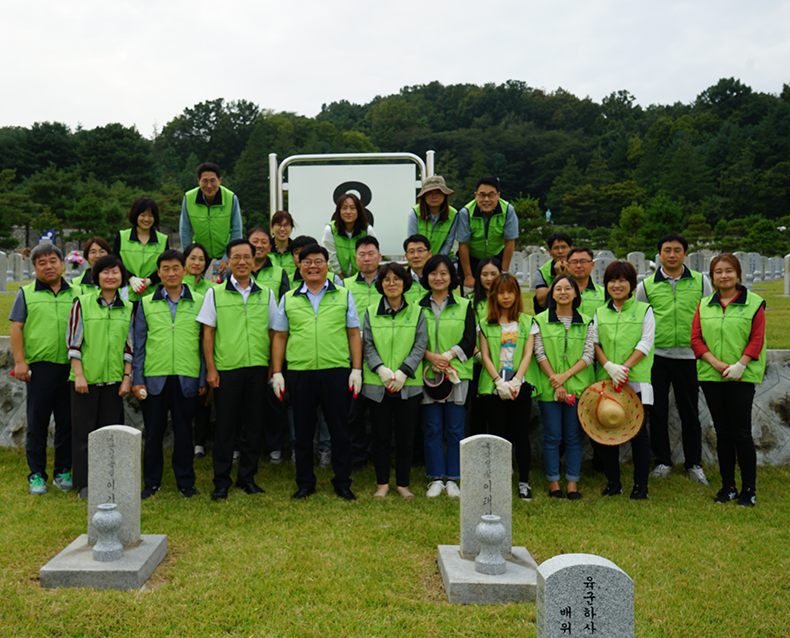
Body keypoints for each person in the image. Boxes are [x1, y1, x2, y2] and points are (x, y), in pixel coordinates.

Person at [271, 244, 362, 502]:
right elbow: (280, 336)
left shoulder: (343, 295)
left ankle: (343, 482)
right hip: (300, 372)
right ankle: (305, 483)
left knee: (339, 430)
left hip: (336, 371)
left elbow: (353, 333)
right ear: (299, 265)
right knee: (302, 431)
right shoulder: (289, 298)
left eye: (319, 261)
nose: (313, 266)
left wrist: (356, 369)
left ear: (327, 264)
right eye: (307, 261)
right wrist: (278, 372)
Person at [196, 239, 278, 501]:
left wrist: (272, 367)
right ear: (228, 261)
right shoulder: (215, 293)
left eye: (247, 257)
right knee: (225, 427)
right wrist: (211, 369)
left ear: (255, 260)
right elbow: (208, 333)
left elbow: (274, 331)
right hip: (227, 369)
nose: (242, 262)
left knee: (254, 426)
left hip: (257, 368)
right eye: (236, 257)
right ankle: (221, 481)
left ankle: (247, 478)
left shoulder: (266, 293)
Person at [635, 233, 712, 485]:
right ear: (659, 254)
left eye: (677, 250)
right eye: (666, 250)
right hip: (657, 357)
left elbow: (708, 317)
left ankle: (693, 463)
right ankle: (663, 461)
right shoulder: (646, 286)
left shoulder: (701, 282)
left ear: (684, 254)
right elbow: (640, 321)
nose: (671, 254)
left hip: (689, 357)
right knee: (657, 412)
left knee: (690, 412)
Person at [691, 254, 766, 507]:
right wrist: (715, 363)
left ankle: (749, 490)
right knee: (723, 433)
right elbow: (696, 339)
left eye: (729, 271)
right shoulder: (704, 305)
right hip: (713, 376)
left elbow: (757, 338)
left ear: (738, 274)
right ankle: (728, 487)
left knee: (741, 433)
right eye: (718, 272)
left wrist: (740, 364)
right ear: (712, 277)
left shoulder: (754, 303)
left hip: (742, 376)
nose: (723, 276)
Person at [133, 249, 206, 499]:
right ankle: (151, 483)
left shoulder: (199, 300)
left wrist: (203, 376)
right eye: (165, 268)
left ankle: (185, 482)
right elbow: (139, 344)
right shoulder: (145, 303)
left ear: (185, 270)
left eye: (176, 267)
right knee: (153, 434)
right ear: (159, 272)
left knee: (185, 433)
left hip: (187, 376)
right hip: (155, 378)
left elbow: (204, 344)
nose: (171, 273)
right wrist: (137, 379)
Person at [9, 244, 78, 495]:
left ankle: (63, 471)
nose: (48, 266)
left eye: (53, 261)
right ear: (35, 267)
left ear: (63, 264)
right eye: (42, 263)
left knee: (66, 423)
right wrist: (20, 362)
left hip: (71, 368)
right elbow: (16, 328)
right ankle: (36, 474)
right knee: (37, 424)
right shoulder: (26, 293)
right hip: (40, 368)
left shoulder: (78, 292)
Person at [67, 255, 134, 498]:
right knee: (84, 433)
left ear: (122, 277)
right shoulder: (82, 303)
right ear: (97, 276)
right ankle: (85, 483)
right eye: (105, 272)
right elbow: (74, 343)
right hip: (86, 380)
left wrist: (127, 377)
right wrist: (79, 376)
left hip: (114, 382)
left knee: (109, 434)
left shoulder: (127, 308)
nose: (110, 276)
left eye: (115, 272)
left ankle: (107, 480)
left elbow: (129, 347)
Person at [362, 262, 427, 499]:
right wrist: (379, 369)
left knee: (405, 436)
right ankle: (382, 484)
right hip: (377, 384)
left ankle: (403, 483)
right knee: (380, 436)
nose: (392, 283)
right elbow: (367, 343)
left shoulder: (417, 312)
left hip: (407, 384)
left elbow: (421, 344)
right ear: (380, 284)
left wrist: (404, 371)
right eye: (386, 279)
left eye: (397, 279)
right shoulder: (370, 311)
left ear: (405, 283)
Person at [592, 261, 655, 500]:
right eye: (612, 280)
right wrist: (608, 366)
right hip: (607, 383)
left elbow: (645, 343)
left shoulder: (644, 310)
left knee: (638, 434)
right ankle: (613, 482)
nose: (617, 285)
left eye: (622, 280)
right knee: (608, 433)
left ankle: (641, 486)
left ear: (631, 285)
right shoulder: (600, 312)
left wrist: (624, 368)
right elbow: (595, 343)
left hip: (636, 381)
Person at [418, 255, 476, 498]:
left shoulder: (464, 305)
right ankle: (435, 478)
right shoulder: (417, 306)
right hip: (428, 375)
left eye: (444, 273)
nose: (438, 278)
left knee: (454, 429)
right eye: (433, 273)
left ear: (452, 277)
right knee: (432, 428)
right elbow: (412, 338)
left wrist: (448, 356)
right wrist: (431, 357)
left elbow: (470, 339)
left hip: (457, 375)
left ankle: (453, 478)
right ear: (426, 277)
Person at [477, 273, 539, 500]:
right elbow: (484, 355)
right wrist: (498, 381)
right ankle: (498, 481)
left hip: (519, 388)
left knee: (521, 435)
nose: (506, 297)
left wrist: (516, 380)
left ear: (517, 294)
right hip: (494, 389)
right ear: (494, 295)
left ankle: (524, 482)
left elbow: (527, 354)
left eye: (510, 292)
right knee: (497, 435)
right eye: (501, 292)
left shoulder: (528, 322)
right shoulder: (484, 323)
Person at [534, 275, 595, 500]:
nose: (563, 292)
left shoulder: (587, 321)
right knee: (552, 436)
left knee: (573, 437)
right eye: (558, 288)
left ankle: (572, 483)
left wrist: (565, 377)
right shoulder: (540, 320)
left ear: (575, 293)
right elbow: (539, 352)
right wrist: (555, 381)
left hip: (578, 389)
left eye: (567, 288)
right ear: (552, 293)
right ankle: (553, 483)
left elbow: (589, 355)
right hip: (549, 390)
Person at [179, 162, 243, 278]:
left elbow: (237, 231)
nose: (209, 185)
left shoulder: (230, 198)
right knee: (194, 285)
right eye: (205, 181)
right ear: (198, 181)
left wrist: (227, 258)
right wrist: (190, 257)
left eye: (213, 181)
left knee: (223, 283)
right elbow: (185, 230)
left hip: (224, 252)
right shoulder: (189, 198)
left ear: (220, 181)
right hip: (200, 253)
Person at [457, 176, 519, 293]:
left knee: (498, 294)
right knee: (470, 298)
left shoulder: (508, 210)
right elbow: (463, 245)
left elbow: (509, 241)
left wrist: (504, 272)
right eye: (482, 195)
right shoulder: (465, 212)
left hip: (497, 256)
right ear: (476, 196)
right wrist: (468, 276)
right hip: (472, 258)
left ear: (498, 195)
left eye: (491, 195)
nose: (486, 199)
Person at [468, 257, 501, 436]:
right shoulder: (470, 301)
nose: (489, 278)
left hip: (502, 363)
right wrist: (482, 357)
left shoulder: (506, 299)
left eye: (493, 274)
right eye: (484, 274)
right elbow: (468, 335)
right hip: (477, 364)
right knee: (478, 412)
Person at [114, 197, 169, 302]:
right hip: (125, 295)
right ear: (135, 215)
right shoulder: (122, 236)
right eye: (142, 215)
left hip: (154, 297)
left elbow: (166, 266)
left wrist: (150, 281)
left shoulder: (162, 239)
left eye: (150, 216)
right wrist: (130, 278)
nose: (146, 219)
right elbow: (115, 262)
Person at [322, 192, 377, 279]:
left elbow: (373, 254)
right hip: (336, 278)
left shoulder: (367, 230)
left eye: (352, 208)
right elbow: (332, 258)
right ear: (338, 211)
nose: (348, 212)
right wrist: (342, 280)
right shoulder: (330, 230)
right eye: (344, 208)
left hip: (363, 278)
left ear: (359, 211)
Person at [406, 175, 458, 256]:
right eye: (430, 192)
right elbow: (413, 243)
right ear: (424, 195)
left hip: (444, 259)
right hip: (421, 259)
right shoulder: (414, 213)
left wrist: (435, 262)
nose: (434, 196)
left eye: (438, 192)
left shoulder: (453, 214)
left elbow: (448, 243)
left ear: (444, 194)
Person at [248, 227, 290, 303]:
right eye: (255, 241)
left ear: (269, 248)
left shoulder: (280, 273)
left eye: (264, 242)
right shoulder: (235, 271)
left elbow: (285, 303)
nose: (259, 245)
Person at [533, 232, 573, 311]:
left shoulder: (578, 267)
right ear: (550, 252)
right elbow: (541, 302)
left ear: (571, 249)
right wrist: (558, 277)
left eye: (564, 247)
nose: (560, 251)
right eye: (556, 248)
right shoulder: (542, 271)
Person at [567, 247, 605, 319]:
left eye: (583, 261)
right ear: (568, 266)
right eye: (574, 262)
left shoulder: (604, 293)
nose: (578, 266)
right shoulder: (559, 292)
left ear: (592, 265)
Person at [269, 210, 298, 281]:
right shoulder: (265, 250)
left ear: (291, 228)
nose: (282, 229)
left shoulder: (297, 250)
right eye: (278, 225)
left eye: (286, 225)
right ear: (271, 228)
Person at [403, 234, 431, 303]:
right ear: (406, 256)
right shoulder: (401, 280)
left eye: (420, 251)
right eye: (411, 252)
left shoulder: (436, 279)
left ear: (429, 254)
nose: (416, 256)